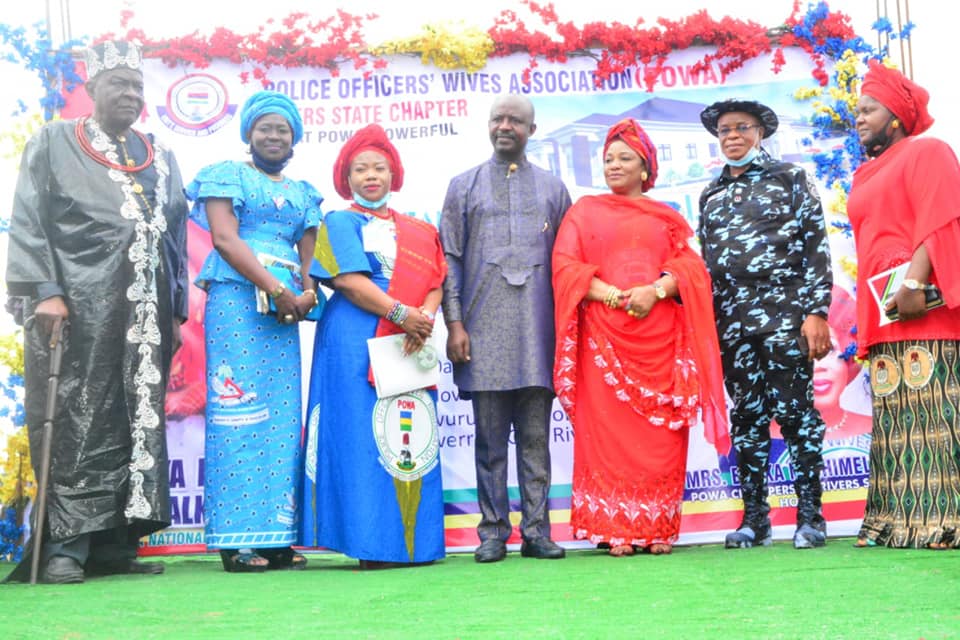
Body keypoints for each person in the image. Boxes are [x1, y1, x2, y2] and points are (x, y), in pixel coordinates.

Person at [3, 40, 188, 584]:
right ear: (91, 88)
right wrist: (45, 290)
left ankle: (114, 544)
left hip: (147, 317)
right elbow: (29, 216)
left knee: (136, 420)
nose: (130, 94)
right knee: (80, 416)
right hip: (80, 308)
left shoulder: (159, 154)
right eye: (118, 84)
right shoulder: (55, 142)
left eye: (137, 86)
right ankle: (67, 545)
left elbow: (174, 238)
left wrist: (175, 312)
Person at [552, 118, 729, 556]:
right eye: (608, 158)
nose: (613, 165)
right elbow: (566, 268)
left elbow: (691, 270)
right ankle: (615, 528)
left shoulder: (665, 218)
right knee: (608, 435)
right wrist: (614, 296)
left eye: (624, 158)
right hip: (604, 342)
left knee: (661, 437)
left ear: (646, 168)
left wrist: (657, 290)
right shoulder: (583, 212)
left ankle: (657, 527)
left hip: (660, 341)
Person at [186, 90, 322, 572]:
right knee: (238, 411)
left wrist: (306, 294)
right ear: (249, 133)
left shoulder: (304, 192)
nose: (273, 136)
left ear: (294, 138)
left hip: (284, 314)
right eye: (265, 127)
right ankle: (235, 540)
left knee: (282, 418)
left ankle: (276, 537)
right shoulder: (228, 175)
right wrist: (274, 286)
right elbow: (225, 239)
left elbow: (310, 256)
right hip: (237, 301)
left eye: (282, 129)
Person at [301, 123, 447, 569]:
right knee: (360, 435)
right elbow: (347, 281)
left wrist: (423, 318)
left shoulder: (419, 229)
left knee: (407, 433)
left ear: (393, 175)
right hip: (355, 336)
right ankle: (368, 544)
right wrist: (402, 314)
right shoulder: (338, 222)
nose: (370, 176)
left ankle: (413, 545)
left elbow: (437, 281)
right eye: (360, 169)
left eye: (379, 168)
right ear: (346, 178)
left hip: (409, 336)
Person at [439, 94, 571, 563]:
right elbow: (449, 259)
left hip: (538, 332)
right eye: (498, 118)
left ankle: (537, 531)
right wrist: (455, 322)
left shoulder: (554, 189)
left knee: (535, 440)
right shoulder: (464, 186)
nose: (505, 126)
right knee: (490, 442)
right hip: (481, 331)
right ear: (488, 125)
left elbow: (568, 264)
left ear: (532, 130)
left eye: (515, 120)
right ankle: (492, 532)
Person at [698, 98, 833, 549]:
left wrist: (816, 312)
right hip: (732, 324)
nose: (732, 136)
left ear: (761, 133)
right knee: (747, 419)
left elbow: (816, 247)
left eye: (742, 127)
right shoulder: (711, 194)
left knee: (796, 417)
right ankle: (754, 520)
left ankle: (810, 518)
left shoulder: (790, 178)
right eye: (724, 130)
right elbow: (708, 263)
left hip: (785, 318)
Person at [847, 60, 960, 549]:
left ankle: (947, 521)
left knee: (937, 416)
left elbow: (943, 217)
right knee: (897, 420)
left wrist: (914, 282)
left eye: (869, 109)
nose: (859, 117)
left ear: (896, 117)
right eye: (857, 110)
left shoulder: (927, 152)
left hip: (923, 307)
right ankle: (899, 520)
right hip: (884, 311)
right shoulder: (865, 173)